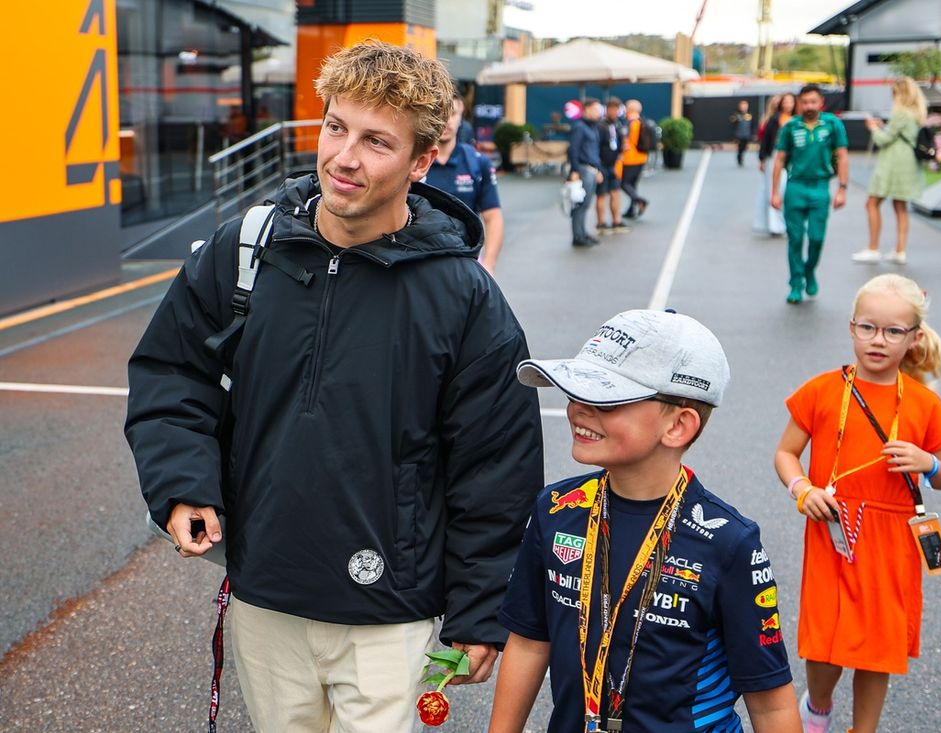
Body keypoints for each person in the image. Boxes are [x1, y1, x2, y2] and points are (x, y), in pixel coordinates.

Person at [124, 41, 544, 732]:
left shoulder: (464, 297)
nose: (344, 156)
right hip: (266, 589)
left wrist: (480, 605)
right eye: (336, 127)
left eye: (377, 141)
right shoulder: (246, 251)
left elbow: (496, 463)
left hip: (390, 609)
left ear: (422, 160)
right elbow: (173, 371)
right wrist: (182, 482)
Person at [488, 309, 802, 733]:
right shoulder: (556, 508)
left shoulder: (729, 543)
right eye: (576, 392)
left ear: (678, 426)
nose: (578, 410)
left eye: (606, 399)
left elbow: (772, 706)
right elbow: (528, 643)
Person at [774, 274, 941, 733]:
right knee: (824, 640)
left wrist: (928, 463)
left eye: (894, 331)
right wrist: (803, 490)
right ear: (852, 327)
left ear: (913, 338)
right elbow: (785, 454)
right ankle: (818, 707)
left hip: (893, 537)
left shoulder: (923, 404)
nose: (879, 340)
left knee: (878, 645)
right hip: (832, 526)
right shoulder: (821, 390)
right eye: (868, 328)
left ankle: (865, 728)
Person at [772, 84, 850, 304]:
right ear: (799, 103)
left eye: (813, 102)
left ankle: (809, 271)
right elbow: (779, 160)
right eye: (805, 102)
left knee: (816, 238)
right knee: (795, 239)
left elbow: (842, 156)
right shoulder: (790, 127)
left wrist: (842, 189)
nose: (809, 106)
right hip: (796, 186)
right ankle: (796, 283)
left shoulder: (833, 124)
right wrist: (775, 192)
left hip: (820, 187)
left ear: (821, 102)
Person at [425, 92, 504, 275]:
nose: (447, 120)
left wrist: (489, 265)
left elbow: (493, 218)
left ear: (461, 116)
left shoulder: (477, 163)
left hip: (465, 262)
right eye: (440, 112)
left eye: (452, 113)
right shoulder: (414, 162)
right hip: (420, 261)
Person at [851, 77, 928, 265]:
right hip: (908, 162)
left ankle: (873, 248)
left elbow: (883, 140)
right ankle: (900, 250)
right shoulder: (915, 113)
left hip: (894, 163)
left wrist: (873, 129)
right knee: (900, 207)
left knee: (872, 203)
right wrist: (882, 127)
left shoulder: (901, 113)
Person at [754, 92, 796, 237]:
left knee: (788, 191)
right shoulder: (774, 120)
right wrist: (762, 158)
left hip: (791, 161)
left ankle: (787, 223)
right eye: (785, 102)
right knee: (774, 189)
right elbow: (765, 140)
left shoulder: (797, 120)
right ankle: (775, 225)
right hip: (774, 157)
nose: (788, 105)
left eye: (791, 102)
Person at [567, 98, 605, 247]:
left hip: (592, 170)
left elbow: (594, 152)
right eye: (595, 110)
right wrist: (575, 170)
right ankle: (578, 236)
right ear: (587, 109)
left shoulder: (593, 127)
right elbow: (573, 150)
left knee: (586, 203)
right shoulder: (579, 127)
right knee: (580, 204)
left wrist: (598, 171)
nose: (598, 113)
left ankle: (582, 233)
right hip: (583, 169)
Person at [596, 97, 630, 235]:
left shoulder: (618, 126)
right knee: (602, 194)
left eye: (616, 109)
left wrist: (623, 150)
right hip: (602, 164)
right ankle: (601, 223)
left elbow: (621, 143)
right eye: (612, 109)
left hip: (613, 164)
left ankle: (617, 221)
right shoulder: (600, 126)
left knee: (616, 193)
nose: (614, 112)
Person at [620, 99, 649, 220]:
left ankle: (639, 200)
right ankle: (631, 209)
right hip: (642, 157)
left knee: (624, 183)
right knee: (633, 184)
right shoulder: (643, 121)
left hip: (630, 158)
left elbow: (627, 141)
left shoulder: (631, 123)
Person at [731, 99, 755, 167]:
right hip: (739, 135)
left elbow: (752, 125)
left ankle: (741, 155)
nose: (744, 107)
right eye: (743, 106)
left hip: (747, 134)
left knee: (744, 147)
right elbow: (733, 125)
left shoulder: (749, 115)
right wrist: (734, 136)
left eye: (745, 106)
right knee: (740, 147)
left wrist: (752, 133)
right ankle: (739, 158)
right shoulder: (736, 115)